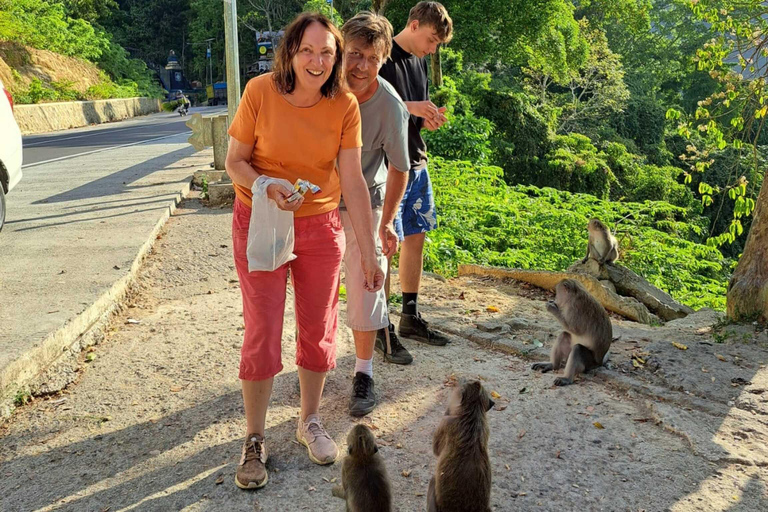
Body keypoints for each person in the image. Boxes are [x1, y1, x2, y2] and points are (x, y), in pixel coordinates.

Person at [225, 12, 384, 490]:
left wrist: (371, 250)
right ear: (290, 52)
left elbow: (353, 180)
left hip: (319, 225)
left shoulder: (345, 105)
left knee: (318, 328)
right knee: (263, 328)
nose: (317, 61)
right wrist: (265, 183)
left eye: (327, 53)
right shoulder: (260, 92)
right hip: (261, 220)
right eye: (308, 50)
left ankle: (308, 420)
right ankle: (254, 438)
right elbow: (234, 161)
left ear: (336, 59)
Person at [340, 11, 413, 417]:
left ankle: (364, 372)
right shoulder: (324, 87)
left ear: (383, 58)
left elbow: (400, 167)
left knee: (369, 278)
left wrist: (386, 222)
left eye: (370, 58)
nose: (360, 67)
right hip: (316, 200)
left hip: (365, 199)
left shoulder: (390, 106)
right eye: (353, 54)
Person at [379, 1, 453, 346]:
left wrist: (428, 117)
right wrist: (410, 107)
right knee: (384, 245)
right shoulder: (381, 56)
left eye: (437, 44)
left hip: (417, 161)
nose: (433, 48)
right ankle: (379, 324)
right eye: (431, 39)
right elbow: (368, 107)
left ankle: (410, 315)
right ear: (413, 24)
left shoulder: (419, 63)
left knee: (416, 238)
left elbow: (412, 117)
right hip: (387, 165)